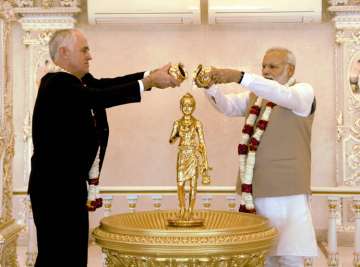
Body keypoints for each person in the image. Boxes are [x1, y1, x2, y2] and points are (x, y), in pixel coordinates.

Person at [27, 29, 181, 267]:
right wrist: (148, 82)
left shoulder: (77, 82)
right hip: (54, 190)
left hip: (67, 187)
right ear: (64, 53)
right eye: (84, 50)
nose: (90, 56)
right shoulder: (56, 83)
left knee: (72, 257)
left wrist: (150, 76)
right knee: (57, 258)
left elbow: (105, 85)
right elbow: (99, 97)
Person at [197, 47, 317, 267]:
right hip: (255, 188)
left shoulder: (302, 92)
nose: (266, 70)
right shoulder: (256, 96)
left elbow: (282, 95)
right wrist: (210, 87)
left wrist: (240, 77)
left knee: (290, 255)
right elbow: (227, 106)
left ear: (290, 69)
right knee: (262, 254)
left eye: (273, 66)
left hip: (288, 190)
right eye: (263, 66)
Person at [169, 93, 211, 220]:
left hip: (192, 155)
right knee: (180, 183)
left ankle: (191, 210)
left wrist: (205, 162)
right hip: (182, 155)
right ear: (181, 106)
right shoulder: (177, 123)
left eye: (190, 105)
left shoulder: (197, 123)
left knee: (193, 184)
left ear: (194, 107)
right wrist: (177, 134)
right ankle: (182, 208)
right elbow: (171, 140)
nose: (187, 108)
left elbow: (202, 143)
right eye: (185, 105)